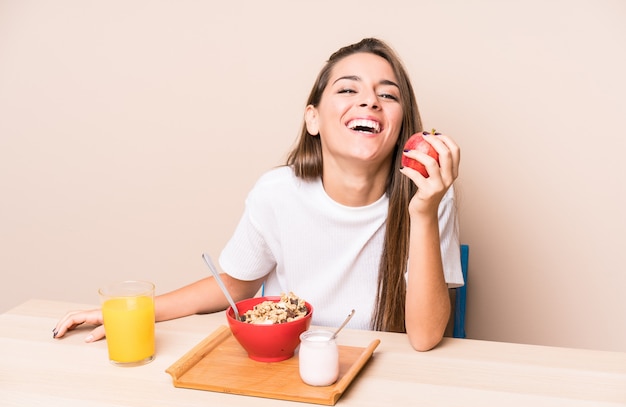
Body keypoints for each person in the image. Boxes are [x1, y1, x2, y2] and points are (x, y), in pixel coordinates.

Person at [53, 37, 462, 351]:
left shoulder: (429, 196)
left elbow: (425, 338)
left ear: (403, 126)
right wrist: (136, 312)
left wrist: (424, 212)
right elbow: (235, 284)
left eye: (387, 95)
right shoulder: (278, 193)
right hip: (289, 366)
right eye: (347, 90)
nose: (370, 100)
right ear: (313, 119)